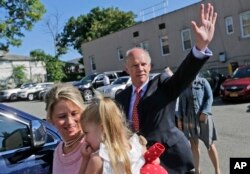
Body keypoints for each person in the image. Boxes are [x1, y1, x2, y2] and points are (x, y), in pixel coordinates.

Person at [115, 3, 217, 174]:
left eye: (143, 64)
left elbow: (183, 75)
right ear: (127, 69)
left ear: (150, 66)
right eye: (134, 65)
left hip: (171, 159)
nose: (140, 69)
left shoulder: (163, 84)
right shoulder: (121, 97)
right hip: (139, 161)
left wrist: (200, 48)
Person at [79, 96, 168, 174]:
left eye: (86, 133)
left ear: (103, 129)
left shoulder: (98, 160)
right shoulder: (137, 148)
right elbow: (156, 161)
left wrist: (85, 160)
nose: (85, 139)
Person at [176, 76, 221, 174]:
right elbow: (179, 103)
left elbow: (210, 97)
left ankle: (217, 170)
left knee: (209, 144)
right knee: (194, 145)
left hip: (202, 117)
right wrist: (179, 118)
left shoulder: (203, 82)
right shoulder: (183, 84)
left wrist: (205, 112)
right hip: (188, 119)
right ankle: (197, 171)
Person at [45, 83, 89, 174]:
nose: (70, 122)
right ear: (51, 119)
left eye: (74, 113)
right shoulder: (58, 152)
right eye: (62, 116)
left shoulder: (91, 146)